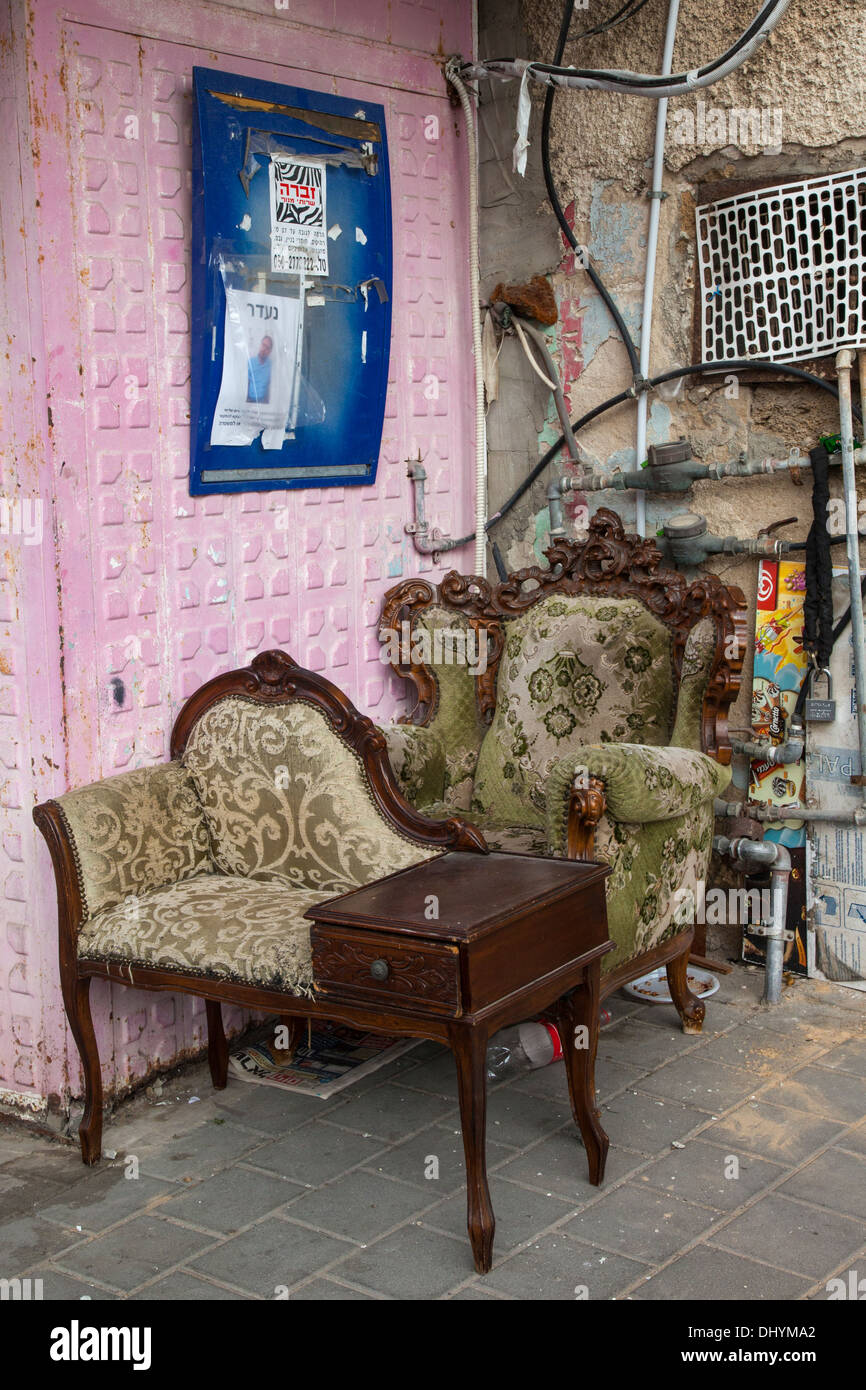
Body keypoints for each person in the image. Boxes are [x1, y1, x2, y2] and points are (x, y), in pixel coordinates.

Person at [247, 334, 273, 403]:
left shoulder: (271, 366)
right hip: (249, 401)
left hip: (263, 403)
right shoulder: (250, 362)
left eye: (267, 348)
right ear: (260, 345)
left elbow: (270, 386)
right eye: (263, 345)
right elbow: (246, 383)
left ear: (270, 351)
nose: (264, 349)